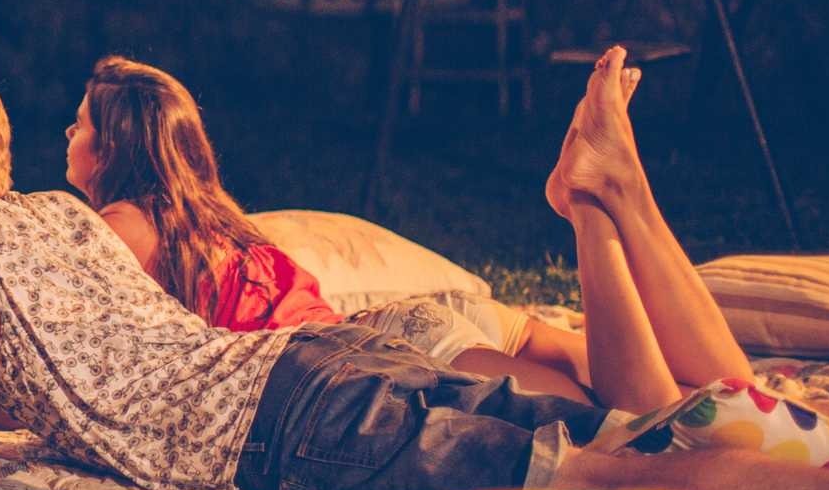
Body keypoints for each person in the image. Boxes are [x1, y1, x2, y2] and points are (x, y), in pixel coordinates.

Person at [0, 51, 829, 490]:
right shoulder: (56, 215)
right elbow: (25, 398)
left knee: (626, 478)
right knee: (632, 430)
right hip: (318, 369)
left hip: (294, 426)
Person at [69, 55, 596, 400]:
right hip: (417, 325)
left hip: (385, 353)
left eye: (80, 124)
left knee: (596, 431)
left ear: (110, 148)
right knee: (648, 399)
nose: (68, 133)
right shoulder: (213, 219)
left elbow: (70, 354)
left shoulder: (121, 227)